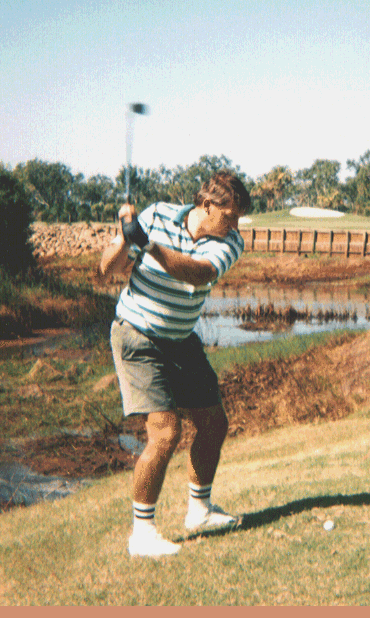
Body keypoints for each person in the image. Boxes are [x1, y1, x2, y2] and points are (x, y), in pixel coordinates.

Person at [98, 169, 252, 557]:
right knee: (165, 433)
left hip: (180, 339)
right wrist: (125, 237)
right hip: (137, 334)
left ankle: (199, 511)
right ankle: (142, 534)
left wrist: (147, 246)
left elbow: (197, 275)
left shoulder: (229, 242)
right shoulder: (157, 215)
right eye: (229, 216)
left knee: (214, 424)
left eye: (237, 219)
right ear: (205, 206)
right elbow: (108, 268)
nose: (234, 226)